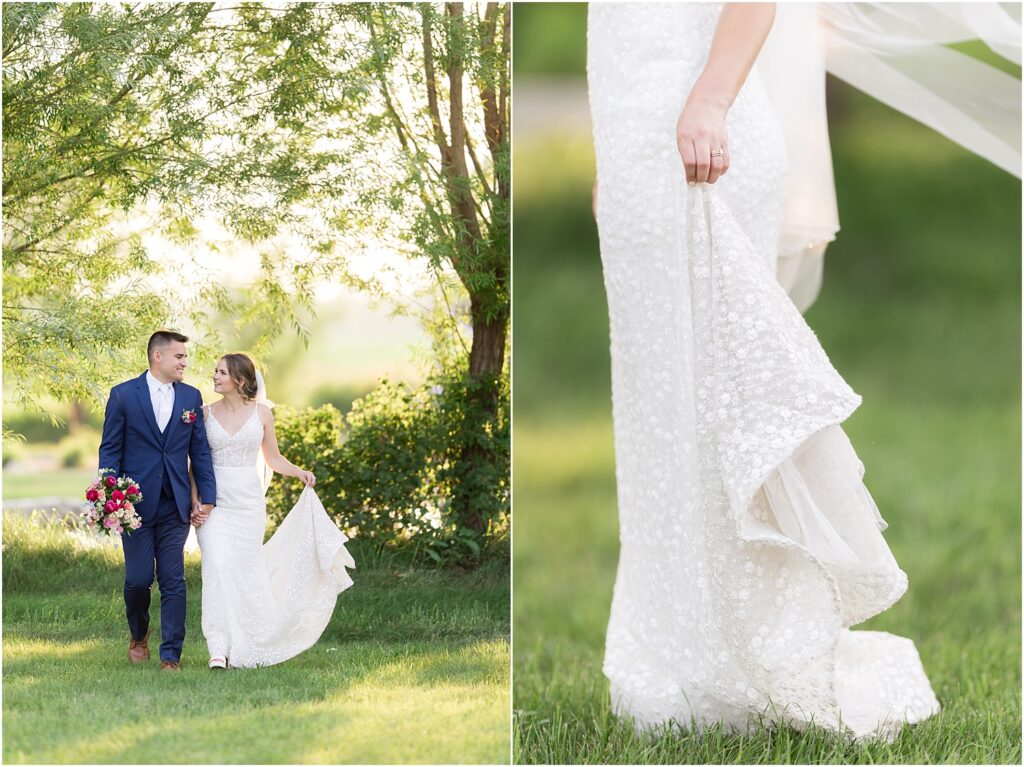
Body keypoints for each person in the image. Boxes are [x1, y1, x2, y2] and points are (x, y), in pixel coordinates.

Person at [588, 3, 943, 740]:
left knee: (720, 410)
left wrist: (710, 100)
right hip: (635, 155)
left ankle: (757, 653)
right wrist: (608, 157)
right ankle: (676, 664)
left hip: (701, 139)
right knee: (657, 420)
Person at [191, 352, 354, 669]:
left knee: (245, 571)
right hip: (215, 502)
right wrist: (195, 501)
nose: (215, 377)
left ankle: (246, 642)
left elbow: (273, 458)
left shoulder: (263, 414)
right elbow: (195, 463)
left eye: (221, 372)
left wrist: (299, 472)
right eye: (215, 372)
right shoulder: (204, 414)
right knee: (218, 566)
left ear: (239, 379)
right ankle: (218, 646)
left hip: (248, 504)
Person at [98, 330, 216, 671]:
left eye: (185, 357)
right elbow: (110, 448)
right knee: (137, 580)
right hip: (132, 505)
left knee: (173, 578)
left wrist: (206, 496)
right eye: (179, 356)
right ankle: (138, 635)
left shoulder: (191, 398)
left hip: (175, 504)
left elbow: (200, 451)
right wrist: (109, 495)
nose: (185, 362)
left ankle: (170, 655)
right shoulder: (123, 396)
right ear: (158, 357)